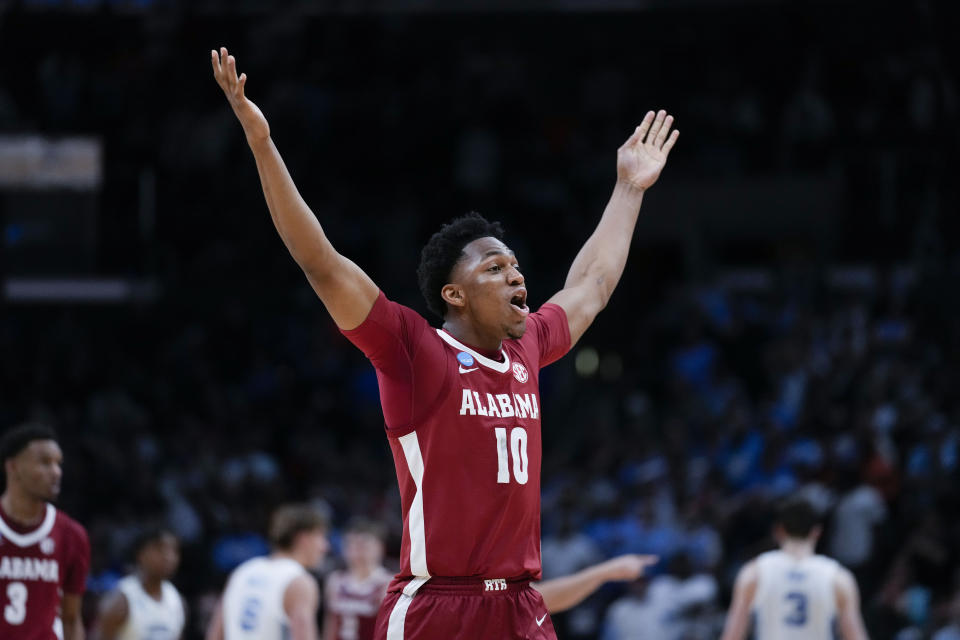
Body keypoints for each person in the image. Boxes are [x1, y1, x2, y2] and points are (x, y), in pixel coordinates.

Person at [211, 45, 678, 640]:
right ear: (454, 295)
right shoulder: (414, 351)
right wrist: (262, 144)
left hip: (520, 604)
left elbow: (593, 282)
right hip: (437, 605)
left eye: (514, 265)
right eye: (493, 268)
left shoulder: (529, 344)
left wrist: (629, 189)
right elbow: (322, 263)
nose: (515, 275)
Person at [720, 497, 870, 640]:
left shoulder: (754, 572)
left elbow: (732, 636)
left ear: (779, 530)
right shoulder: (838, 577)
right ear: (816, 532)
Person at [0, 423, 90, 640]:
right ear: (12, 467)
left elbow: (71, 618)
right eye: (44, 462)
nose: (56, 472)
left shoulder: (72, 535)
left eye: (58, 463)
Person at [206, 504, 329, 640]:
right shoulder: (299, 582)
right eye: (321, 536)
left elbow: (214, 635)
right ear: (303, 538)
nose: (325, 547)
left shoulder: (243, 571)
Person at [92, 528, 185, 640]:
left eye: (174, 550)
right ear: (140, 553)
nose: (168, 557)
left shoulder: (177, 600)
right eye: (159, 549)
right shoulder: (120, 599)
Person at [323, 519, 392, 640]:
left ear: (380, 547)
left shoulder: (387, 583)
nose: (358, 551)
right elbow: (330, 623)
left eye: (363, 545)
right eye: (352, 545)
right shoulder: (335, 580)